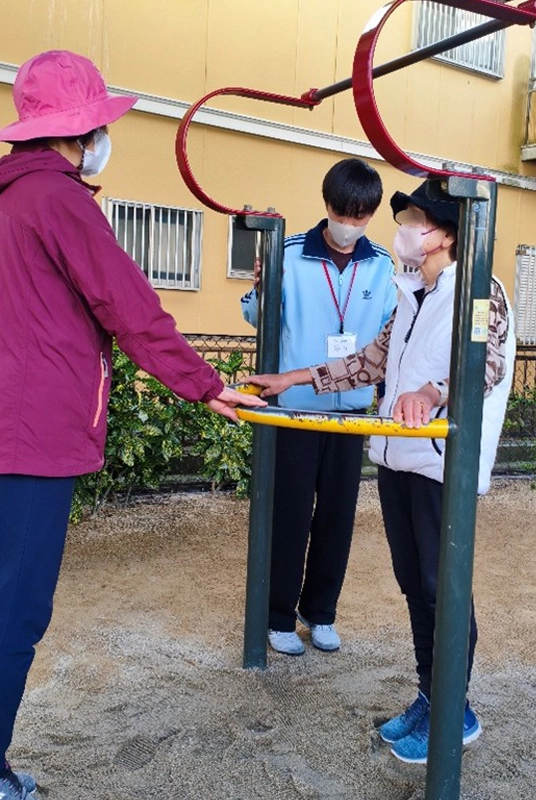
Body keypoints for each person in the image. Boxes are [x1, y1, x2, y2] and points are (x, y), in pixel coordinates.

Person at [0, 50, 265, 800]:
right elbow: (128, 307)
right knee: (15, 611)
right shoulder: (58, 201)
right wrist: (204, 383)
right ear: (78, 134)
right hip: (32, 437)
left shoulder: (10, 198)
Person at [247, 179, 516, 763]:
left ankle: (454, 708)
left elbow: (486, 363)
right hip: (397, 457)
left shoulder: (477, 291)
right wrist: (291, 379)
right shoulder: (412, 290)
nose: (404, 230)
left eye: (415, 219)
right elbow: (368, 361)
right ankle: (430, 695)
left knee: (441, 588)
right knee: (414, 586)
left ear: (443, 233)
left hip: (442, 461)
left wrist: (431, 390)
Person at [241, 158, 397, 656]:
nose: (351, 222)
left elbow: (393, 332)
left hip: (350, 413)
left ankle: (321, 612)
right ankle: (278, 616)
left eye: (362, 214)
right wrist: (262, 283)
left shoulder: (382, 264)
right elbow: (251, 314)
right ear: (328, 205)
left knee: (337, 516)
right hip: (295, 410)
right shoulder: (289, 252)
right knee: (288, 514)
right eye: (344, 211)